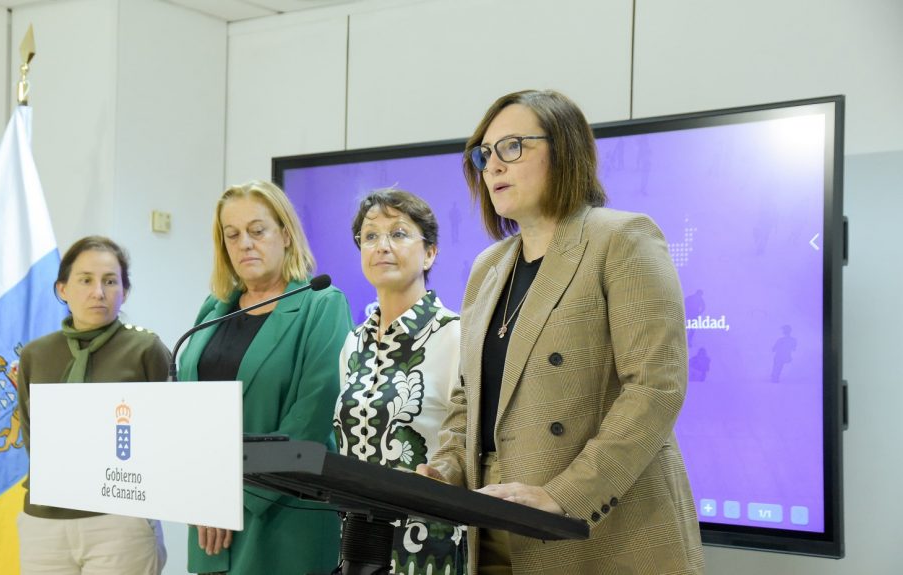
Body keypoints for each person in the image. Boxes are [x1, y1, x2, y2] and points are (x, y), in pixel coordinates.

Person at [417, 90, 705, 574]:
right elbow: (469, 399)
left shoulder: (622, 238)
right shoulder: (488, 267)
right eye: (484, 155)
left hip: (599, 527)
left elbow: (655, 388)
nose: (493, 166)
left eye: (512, 147)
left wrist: (563, 496)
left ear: (565, 149)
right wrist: (445, 471)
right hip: (487, 522)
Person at [178, 180, 353, 575]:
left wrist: (232, 499)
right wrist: (201, 495)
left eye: (258, 231)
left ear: (285, 235)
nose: (245, 244)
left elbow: (310, 419)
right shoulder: (213, 310)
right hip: (208, 520)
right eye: (232, 235)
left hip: (282, 516)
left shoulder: (321, 304)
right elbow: (187, 412)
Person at [16, 236, 170, 575]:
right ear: (62, 289)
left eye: (110, 281)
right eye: (85, 280)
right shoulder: (35, 355)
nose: (98, 292)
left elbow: (167, 435)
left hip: (119, 520)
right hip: (45, 521)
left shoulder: (145, 349)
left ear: (125, 291)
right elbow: (32, 435)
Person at [334, 189, 465, 574]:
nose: (382, 246)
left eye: (399, 234)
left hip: (428, 547)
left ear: (430, 253)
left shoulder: (455, 335)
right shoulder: (353, 342)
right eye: (370, 236)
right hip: (357, 547)